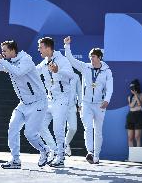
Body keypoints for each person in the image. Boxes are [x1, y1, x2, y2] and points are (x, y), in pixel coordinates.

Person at [0, 40, 50, 169]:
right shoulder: (8, 62)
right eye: (2, 51)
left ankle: (45, 149)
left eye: (5, 51)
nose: (2, 53)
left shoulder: (26, 60)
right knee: (13, 128)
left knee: (29, 134)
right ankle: (15, 160)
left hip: (38, 102)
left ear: (13, 50)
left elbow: (18, 72)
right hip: (23, 104)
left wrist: (3, 61)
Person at [63, 36, 113, 164]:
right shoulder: (85, 67)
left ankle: (96, 155)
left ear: (99, 58)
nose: (91, 59)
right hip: (86, 104)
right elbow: (71, 60)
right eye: (90, 56)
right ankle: (90, 152)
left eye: (94, 57)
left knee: (98, 131)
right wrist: (67, 46)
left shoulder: (107, 71)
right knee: (88, 128)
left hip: (100, 105)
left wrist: (107, 100)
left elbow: (110, 88)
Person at [36, 37, 74, 167]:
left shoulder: (62, 60)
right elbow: (34, 72)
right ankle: (55, 150)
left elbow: (71, 74)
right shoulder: (44, 62)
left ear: (48, 48)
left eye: (40, 47)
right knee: (40, 125)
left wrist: (58, 71)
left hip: (62, 98)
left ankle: (61, 157)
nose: (38, 49)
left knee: (58, 129)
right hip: (49, 99)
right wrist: (11, 69)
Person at [65, 72, 82, 157]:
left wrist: (80, 104)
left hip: (71, 106)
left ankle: (65, 144)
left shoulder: (75, 76)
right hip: (59, 105)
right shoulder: (57, 73)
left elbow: (79, 90)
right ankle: (56, 151)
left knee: (73, 128)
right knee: (58, 129)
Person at [126, 79, 142, 147]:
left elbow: (140, 104)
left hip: (138, 115)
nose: (132, 89)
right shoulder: (129, 97)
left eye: (133, 87)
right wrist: (133, 96)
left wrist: (136, 95)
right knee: (130, 137)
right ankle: (131, 155)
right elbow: (131, 106)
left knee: (137, 137)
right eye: (131, 88)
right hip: (130, 116)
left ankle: (137, 155)